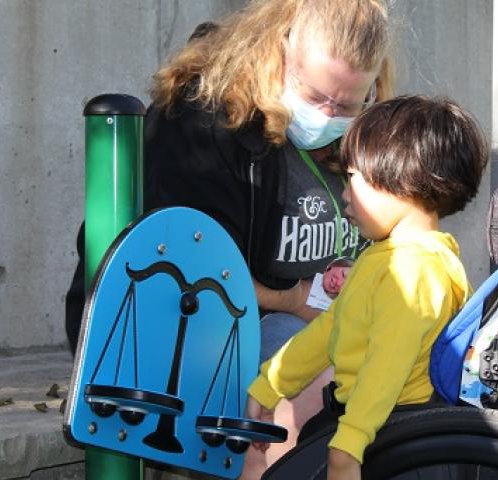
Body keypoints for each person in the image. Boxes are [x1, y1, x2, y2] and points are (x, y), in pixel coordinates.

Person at [64, 0, 396, 476]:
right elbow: (186, 272)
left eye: (347, 104)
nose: (329, 114)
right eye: (316, 95)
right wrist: (298, 299)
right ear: (282, 51)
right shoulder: (204, 120)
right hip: (193, 324)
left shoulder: (364, 129)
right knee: (319, 387)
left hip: (297, 321)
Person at [246, 95, 489, 479]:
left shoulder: (414, 269)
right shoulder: (388, 256)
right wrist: (270, 385)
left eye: (354, 178)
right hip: (371, 427)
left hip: (394, 441)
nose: (344, 194)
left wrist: (349, 444)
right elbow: (332, 329)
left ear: (402, 180)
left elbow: (387, 364)